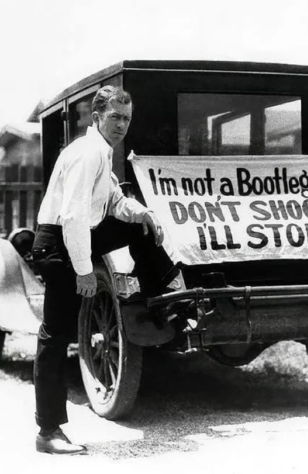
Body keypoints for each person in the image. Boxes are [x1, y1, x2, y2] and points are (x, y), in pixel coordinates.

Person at [31, 86, 180, 454]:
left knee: (139, 223)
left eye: (126, 118)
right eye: (115, 117)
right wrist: (83, 270)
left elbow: (113, 201)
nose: (121, 125)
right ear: (96, 117)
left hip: (78, 236)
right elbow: (74, 215)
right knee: (55, 336)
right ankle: (48, 432)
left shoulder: (102, 150)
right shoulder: (87, 153)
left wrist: (143, 212)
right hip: (58, 244)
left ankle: (165, 295)